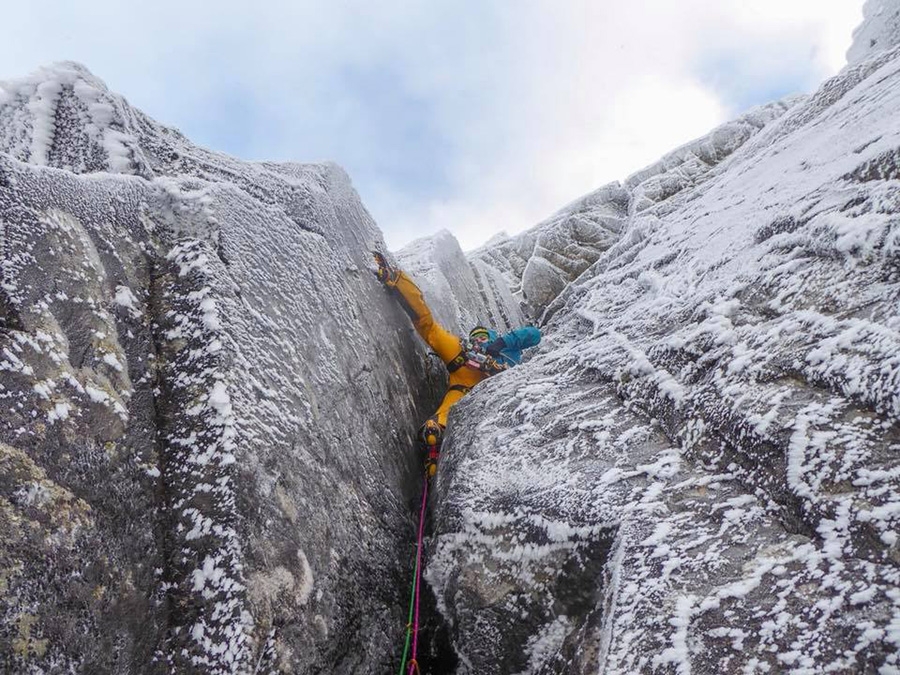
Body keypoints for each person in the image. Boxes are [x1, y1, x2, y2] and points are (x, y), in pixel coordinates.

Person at [374, 252, 541, 476]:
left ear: (491, 337)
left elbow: (534, 335)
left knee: (431, 331)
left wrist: (502, 342)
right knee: (429, 329)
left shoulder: (506, 348)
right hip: (464, 376)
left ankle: (435, 443)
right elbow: (430, 328)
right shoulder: (466, 347)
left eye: (483, 336)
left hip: (494, 378)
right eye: (476, 337)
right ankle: (398, 281)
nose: (480, 340)